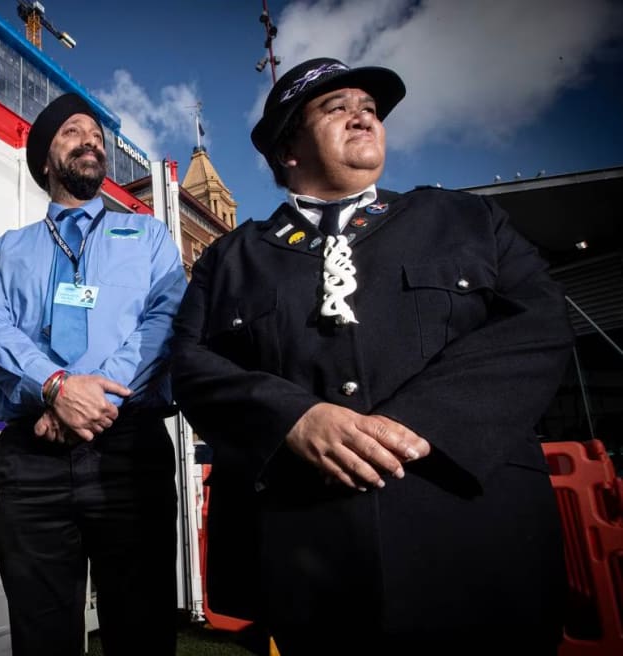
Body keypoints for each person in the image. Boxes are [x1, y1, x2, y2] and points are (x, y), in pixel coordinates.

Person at [170, 58, 573, 656]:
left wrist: (414, 421)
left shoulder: (467, 219)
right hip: (311, 565)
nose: (363, 114)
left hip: (477, 547)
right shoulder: (229, 259)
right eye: (336, 107)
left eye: (370, 108)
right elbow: (189, 363)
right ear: (288, 150)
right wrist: (293, 419)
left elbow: (538, 323)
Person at [0, 92, 186, 656]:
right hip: (32, 460)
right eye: (72, 132)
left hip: (129, 456)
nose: (91, 140)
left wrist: (93, 401)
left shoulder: (148, 237)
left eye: (96, 134)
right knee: (41, 636)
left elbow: (165, 321)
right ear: (45, 160)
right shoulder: (9, 251)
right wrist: (56, 387)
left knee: (141, 631)